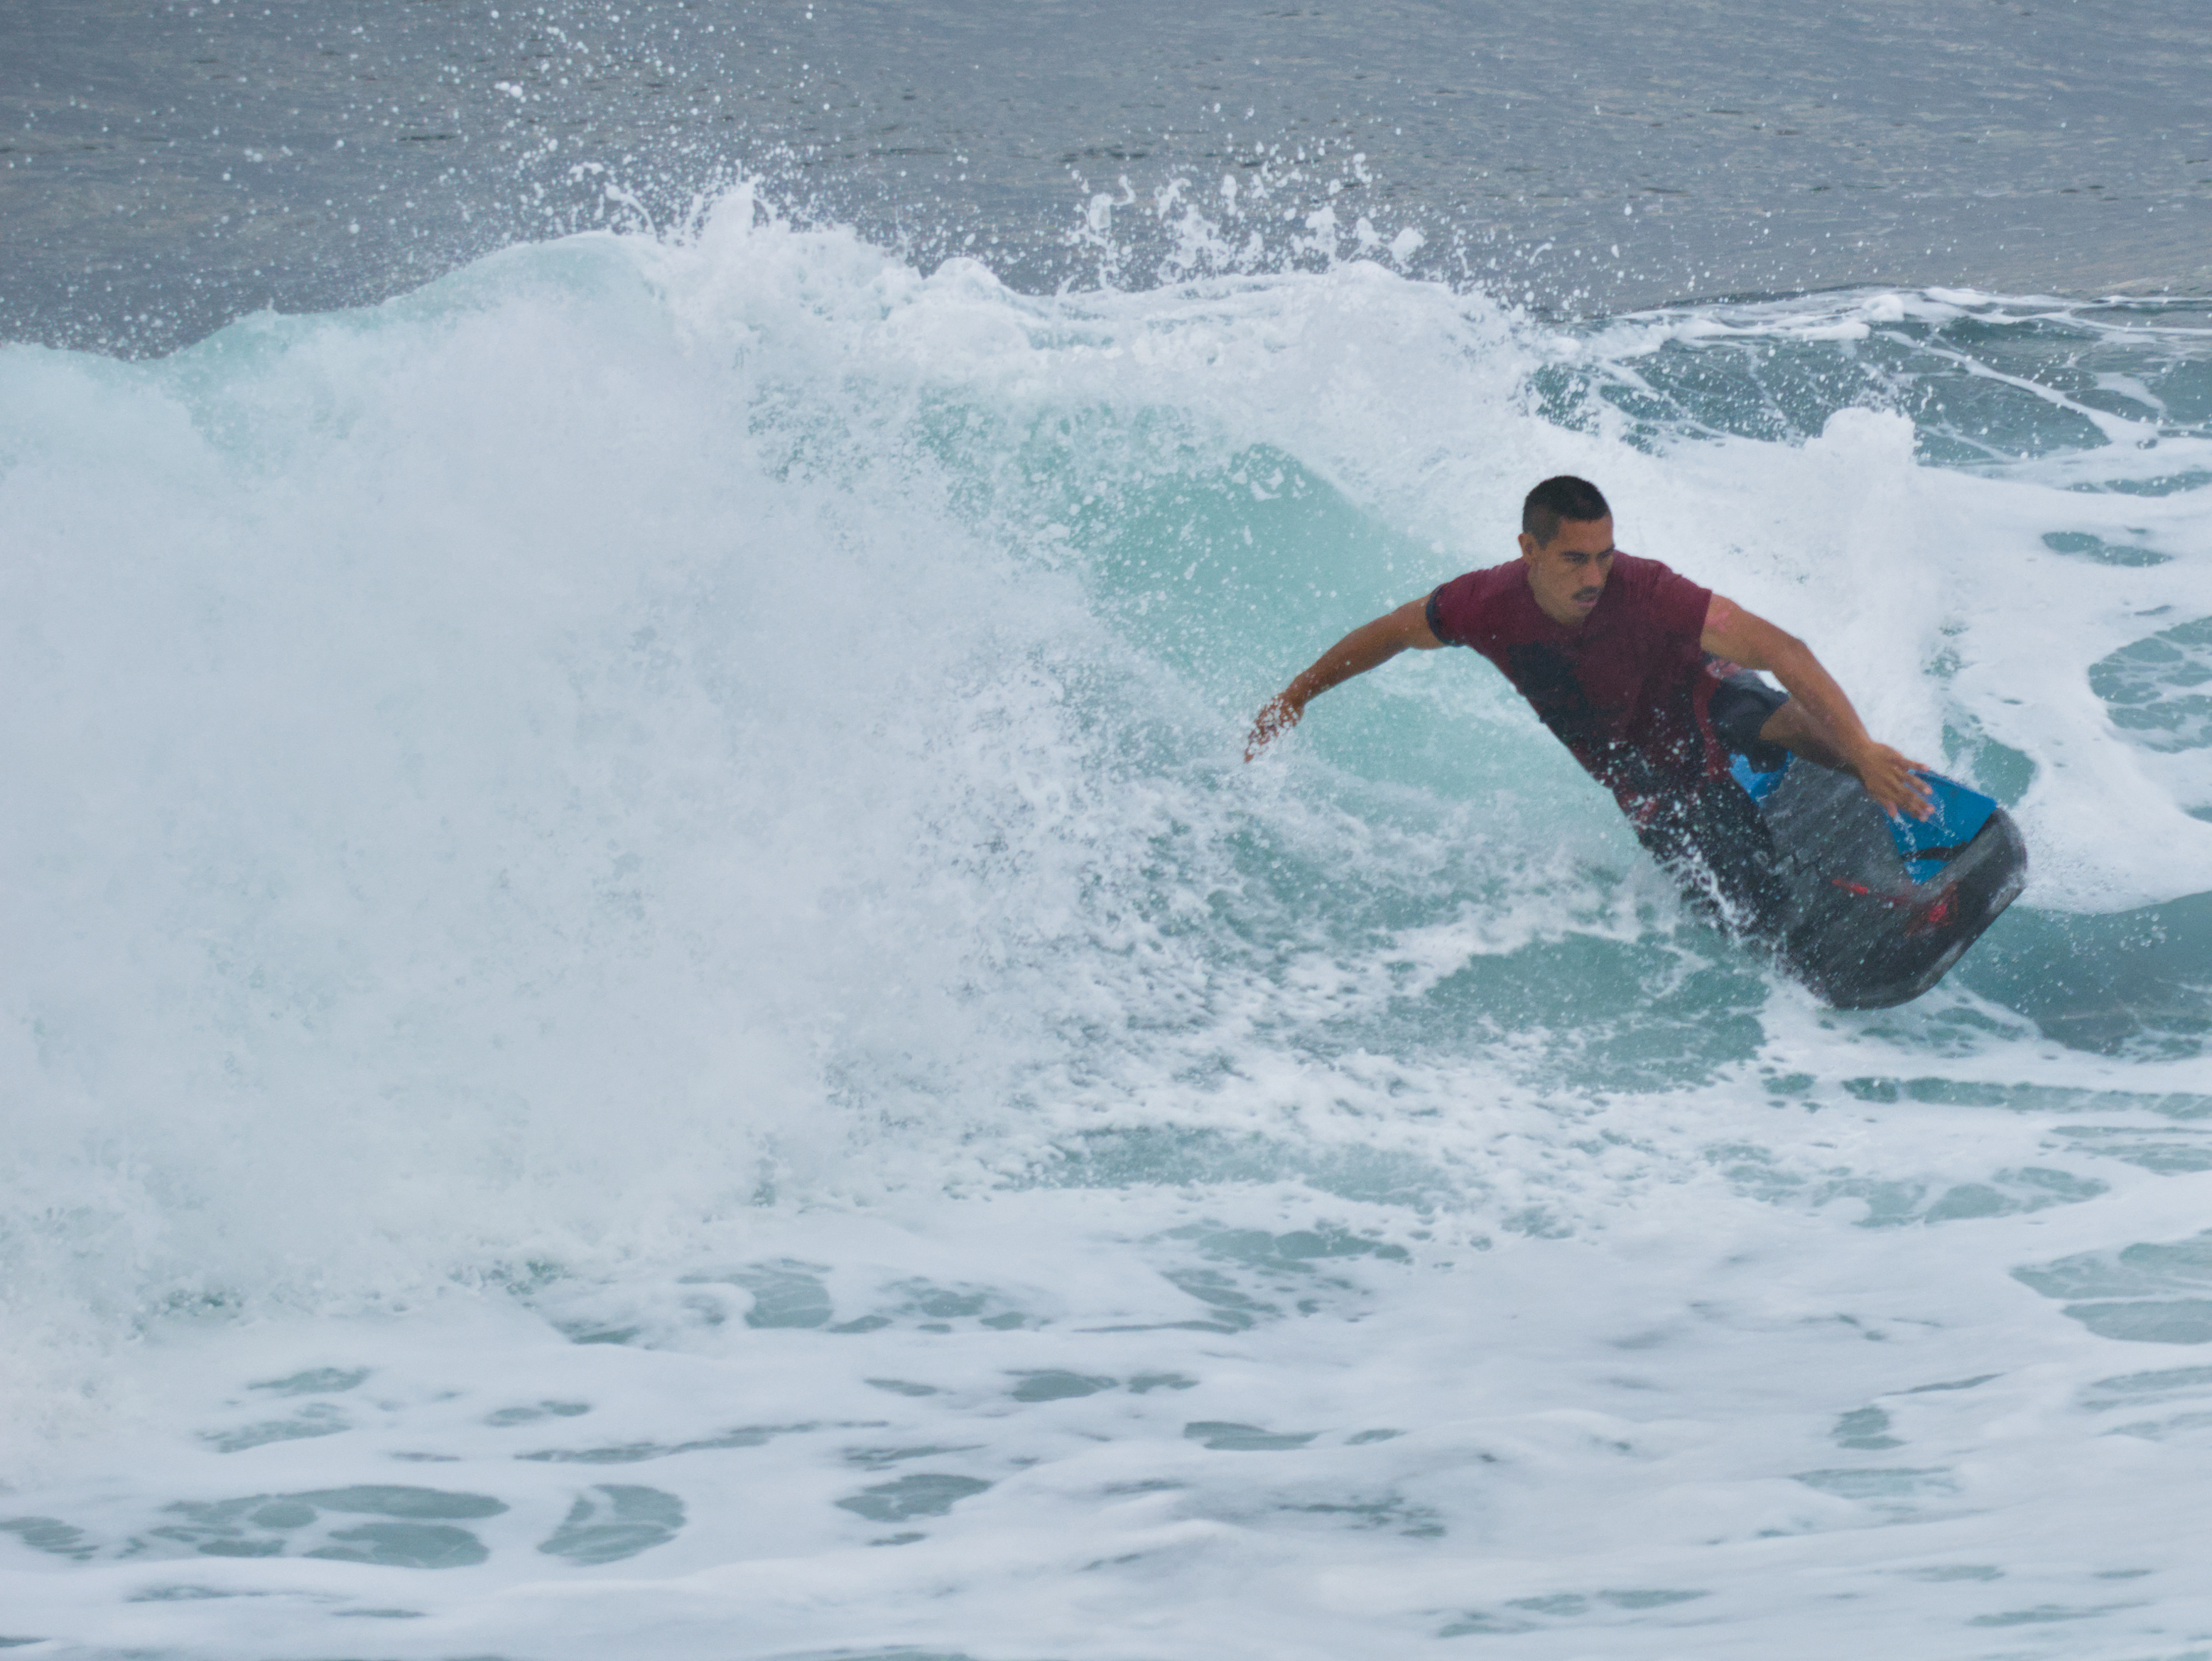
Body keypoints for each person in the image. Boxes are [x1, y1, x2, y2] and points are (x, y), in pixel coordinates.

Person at [1244, 475, 1933, 933]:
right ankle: (1800, 903)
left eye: (1605, 554)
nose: (1597, 575)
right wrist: (1295, 696)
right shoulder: (1482, 604)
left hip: (1698, 692)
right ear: (1530, 549)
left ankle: (1868, 774)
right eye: (1576, 559)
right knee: (1742, 892)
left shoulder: (1646, 587)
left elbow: (1782, 648)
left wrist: (1860, 747)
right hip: (1636, 764)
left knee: (1751, 708)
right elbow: (1392, 632)